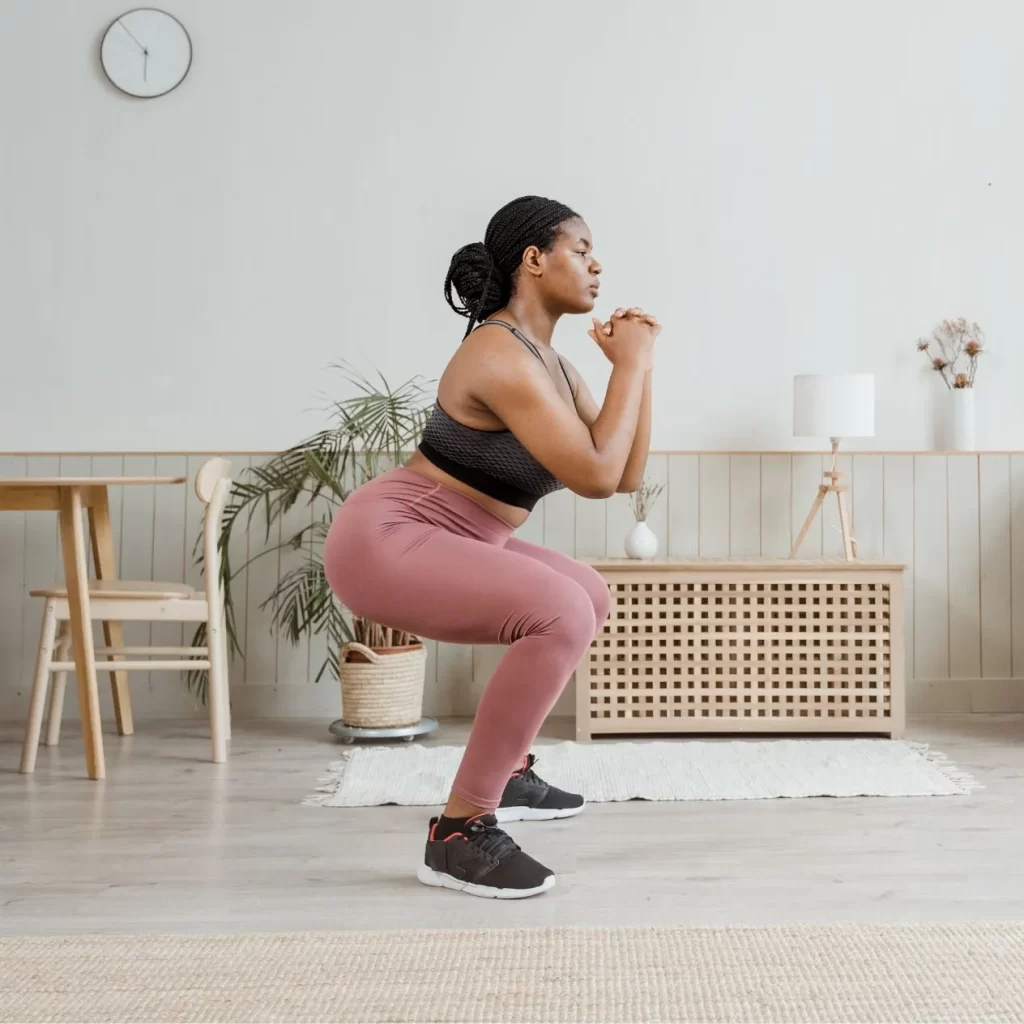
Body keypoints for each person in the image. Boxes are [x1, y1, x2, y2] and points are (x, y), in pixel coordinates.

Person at [324, 195, 660, 899]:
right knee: (562, 611)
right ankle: (459, 832)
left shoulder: (557, 367)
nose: (597, 264)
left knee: (587, 595)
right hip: (393, 536)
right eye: (581, 248)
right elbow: (596, 477)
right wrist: (628, 365)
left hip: (462, 534)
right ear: (534, 260)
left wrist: (640, 368)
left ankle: (505, 771)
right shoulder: (497, 353)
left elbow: (625, 472)